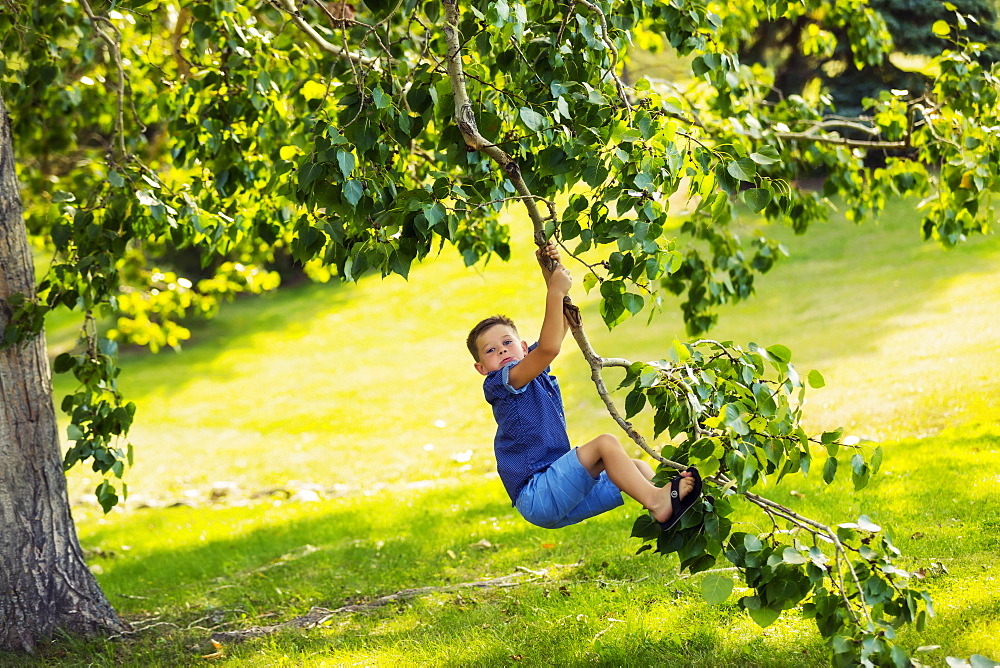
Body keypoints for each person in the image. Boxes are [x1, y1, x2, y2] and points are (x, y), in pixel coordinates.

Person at [467, 240, 702, 530]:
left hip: (558, 494)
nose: (501, 351)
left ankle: (675, 511)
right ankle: (658, 503)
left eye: (507, 343)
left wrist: (548, 271)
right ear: (481, 368)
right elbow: (550, 348)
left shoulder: (534, 370)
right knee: (605, 444)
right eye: (490, 351)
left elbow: (563, 321)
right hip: (538, 494)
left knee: (640, 470)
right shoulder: (502, 382)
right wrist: (554, 290)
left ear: (523, 347)